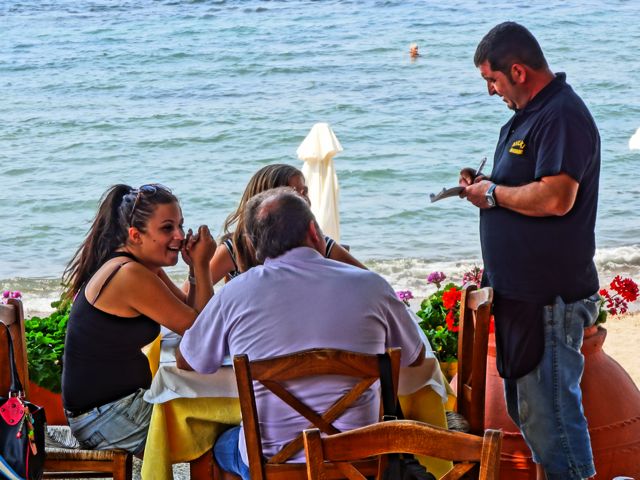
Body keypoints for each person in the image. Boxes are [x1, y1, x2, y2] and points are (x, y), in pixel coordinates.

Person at [176, 187, 425, 480]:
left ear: (256, 246)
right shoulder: (371, 286)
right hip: (360, 458)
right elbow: (415, 356)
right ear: (313, 231)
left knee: (217, 447)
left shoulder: (235, 294)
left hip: (272, 462)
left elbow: (189, 361)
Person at [459, 22, 600, 480]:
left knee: (555, 427)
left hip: (550, 300)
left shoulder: (561, 114)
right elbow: (523, 186)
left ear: (517, 70)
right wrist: (484, 187)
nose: (490, 91)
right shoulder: (529, 115)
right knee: (534, 422)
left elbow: (558, 196)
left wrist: (495, 195)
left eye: (492, 81)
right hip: (522, 297)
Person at [61, 183, 216, 456]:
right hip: (104, 419)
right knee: (215, 428)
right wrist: (202, 266)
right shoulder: (128, 274)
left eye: (181, 225)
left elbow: (190, 314)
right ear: (135, 235)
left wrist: (195, 269)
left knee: (212, 416)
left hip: (109, 411)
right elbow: (199, 330)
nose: (179, 236)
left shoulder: (140, 267)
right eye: (167, 228)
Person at [209, 163, 366, 284]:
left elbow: (368, 280)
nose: (305, 200)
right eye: (295, 194)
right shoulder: (236, 249)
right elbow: (194, 297)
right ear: (266, 202)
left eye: (305, 192)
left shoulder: (318, 243)